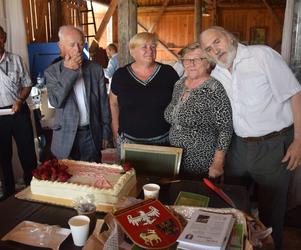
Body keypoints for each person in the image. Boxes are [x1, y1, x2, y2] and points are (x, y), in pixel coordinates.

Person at [200, 26, 301, 250]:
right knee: (234, 206)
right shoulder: (218, 73)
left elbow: (295, 94)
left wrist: (299, 141)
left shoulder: (262, 55)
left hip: (273, 145)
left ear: (230, 37)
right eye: (209, 48)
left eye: (217, 42)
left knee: (271, 212)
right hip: (238, 147)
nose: (215, 50)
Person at [164, 42, 233, 179]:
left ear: (208, 63)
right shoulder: (179, 85)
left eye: (196, 59)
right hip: (175, 158)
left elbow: (225, 129)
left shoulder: (214, 88)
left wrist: (218, 162)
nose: (190, 64)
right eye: (186, 60)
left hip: (201, 161)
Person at [45, 25, 111, 162]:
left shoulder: (95, 69)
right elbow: (56, 101)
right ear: (61, 46)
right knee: (66, 180)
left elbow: (103, 103)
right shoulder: (52, 72)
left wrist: (106, 133)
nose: (77, 49)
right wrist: (69, 71)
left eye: (81, 44)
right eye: (72, 45)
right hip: (64, 136)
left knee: (92, 178)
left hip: (91, 135)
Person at [110, 32, 179, 154]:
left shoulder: (168, 73)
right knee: (129, 173)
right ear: (132, 51)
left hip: (163, 140)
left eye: (153, 46)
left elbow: (178, 103)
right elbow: (113, 104)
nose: (150, 50)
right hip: (129, 141)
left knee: (161, 173)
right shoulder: (121, 75)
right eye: (144, 47)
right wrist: (116, 131)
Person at [0, 26, 37, 199]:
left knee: (27, 151)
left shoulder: (16, 59)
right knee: (3, 155)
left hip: (18, 110)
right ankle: (8, 192)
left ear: (4, 38)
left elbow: (27, 84)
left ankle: (33, 187)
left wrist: (20, 100)